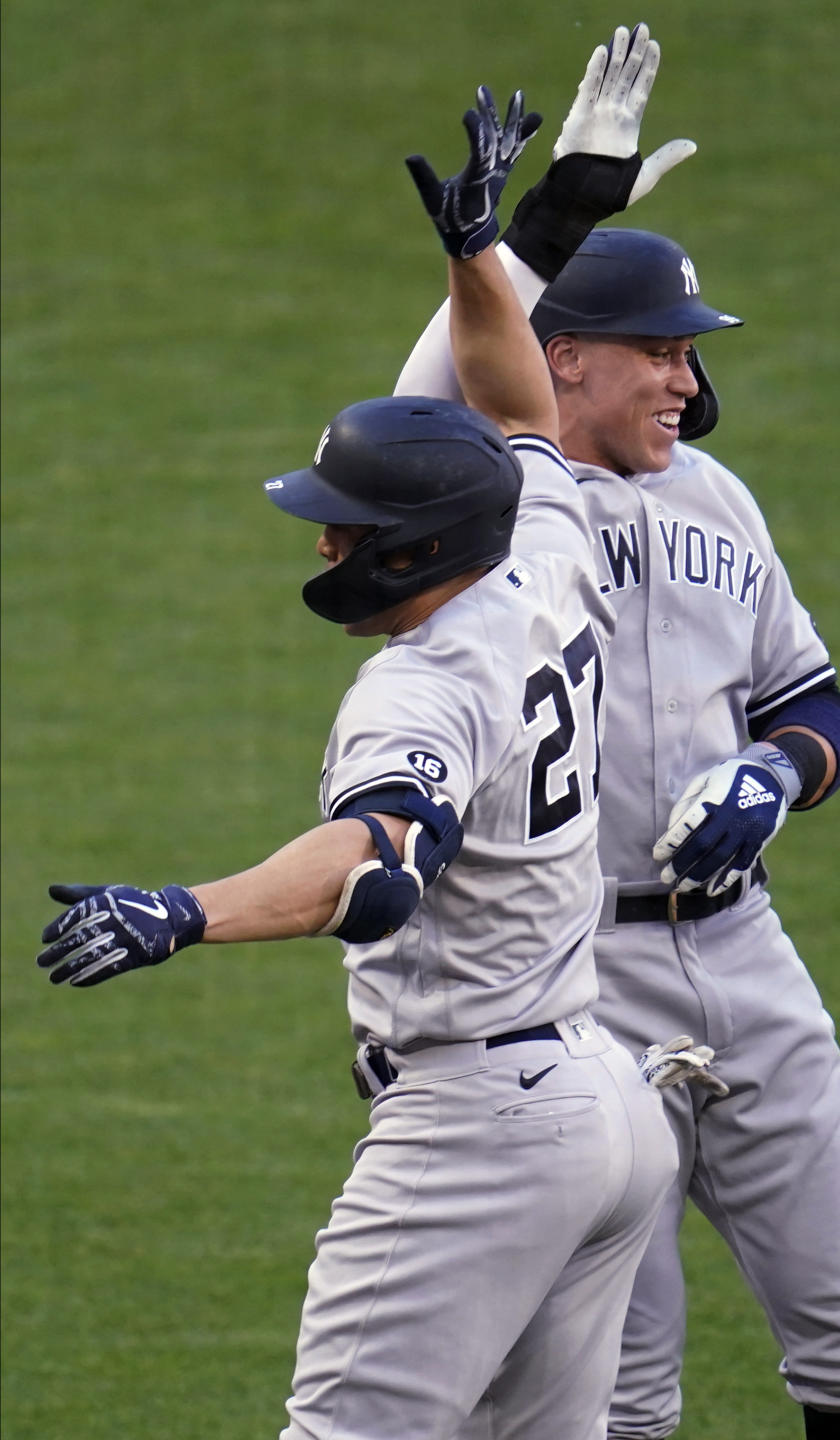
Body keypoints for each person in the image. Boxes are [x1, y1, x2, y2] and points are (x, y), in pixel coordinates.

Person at [37, 86, 696, 1440]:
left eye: (344, 528)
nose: (325, 545)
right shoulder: (544, 542)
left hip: (479, 1135)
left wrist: (185, 911)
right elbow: (513, 388)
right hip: (606, 1107)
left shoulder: (421, 689)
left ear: (410, 547)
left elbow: (378, 868)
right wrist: (484, 255)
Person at [394, 25, 840, 1440]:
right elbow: (411, 401)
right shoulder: (483, 501)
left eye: (693, 356)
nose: (690, 382)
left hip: (746, 956)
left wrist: (772, 771)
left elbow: (814, 704)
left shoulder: (720, 500)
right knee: (622, 1395)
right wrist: (548, 222)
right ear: (562, 359)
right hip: (574, 983)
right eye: (663, 354)